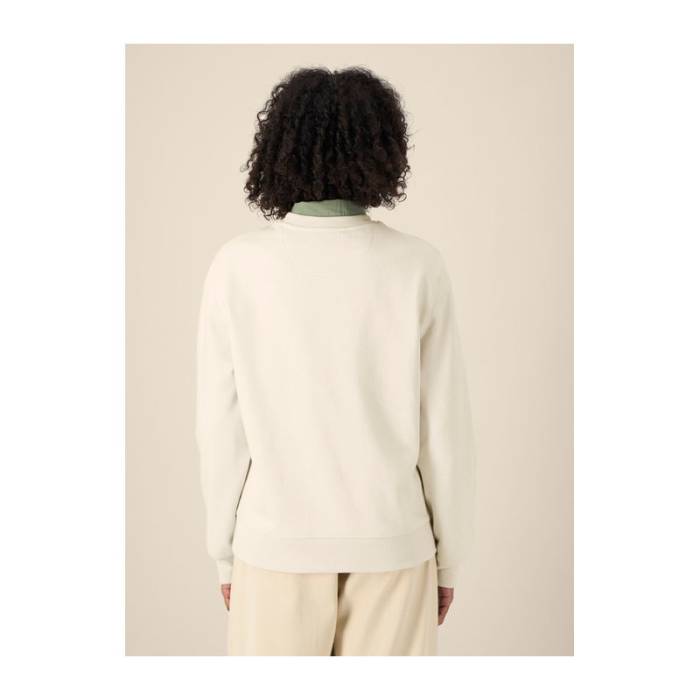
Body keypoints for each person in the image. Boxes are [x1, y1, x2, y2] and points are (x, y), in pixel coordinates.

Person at [195, 66, 476, 656]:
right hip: (393, 546)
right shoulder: (418, 266)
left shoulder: (237, 266)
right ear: (383, 150)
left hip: (274, 548)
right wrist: (448, 558)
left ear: (278, 149)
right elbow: (445, 430)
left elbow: (221, 428)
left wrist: (225, 551)